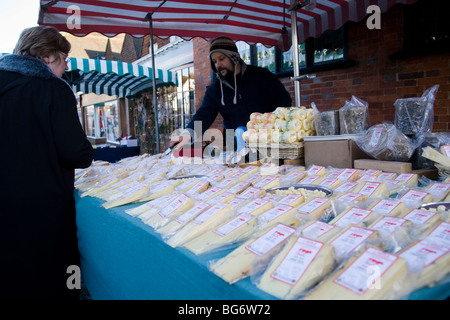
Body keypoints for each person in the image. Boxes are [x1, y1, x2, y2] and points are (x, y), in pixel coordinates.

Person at [0, 26, 94, 299]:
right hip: (43, 213)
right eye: (64, 58)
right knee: (53, 283)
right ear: (47, 56)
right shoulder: (53, 89)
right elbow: (77, 154)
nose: (66, 66)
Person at [170, 36, 292, 150]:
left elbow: (284, 99)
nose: (218, 65)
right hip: (234, 147)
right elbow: (203, 115)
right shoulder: (215, 89)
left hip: (266, 143)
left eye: (221, 59)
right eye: (214, 61)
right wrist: (188, 134)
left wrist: (272, 122)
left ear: (234, 56)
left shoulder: (261, 76)